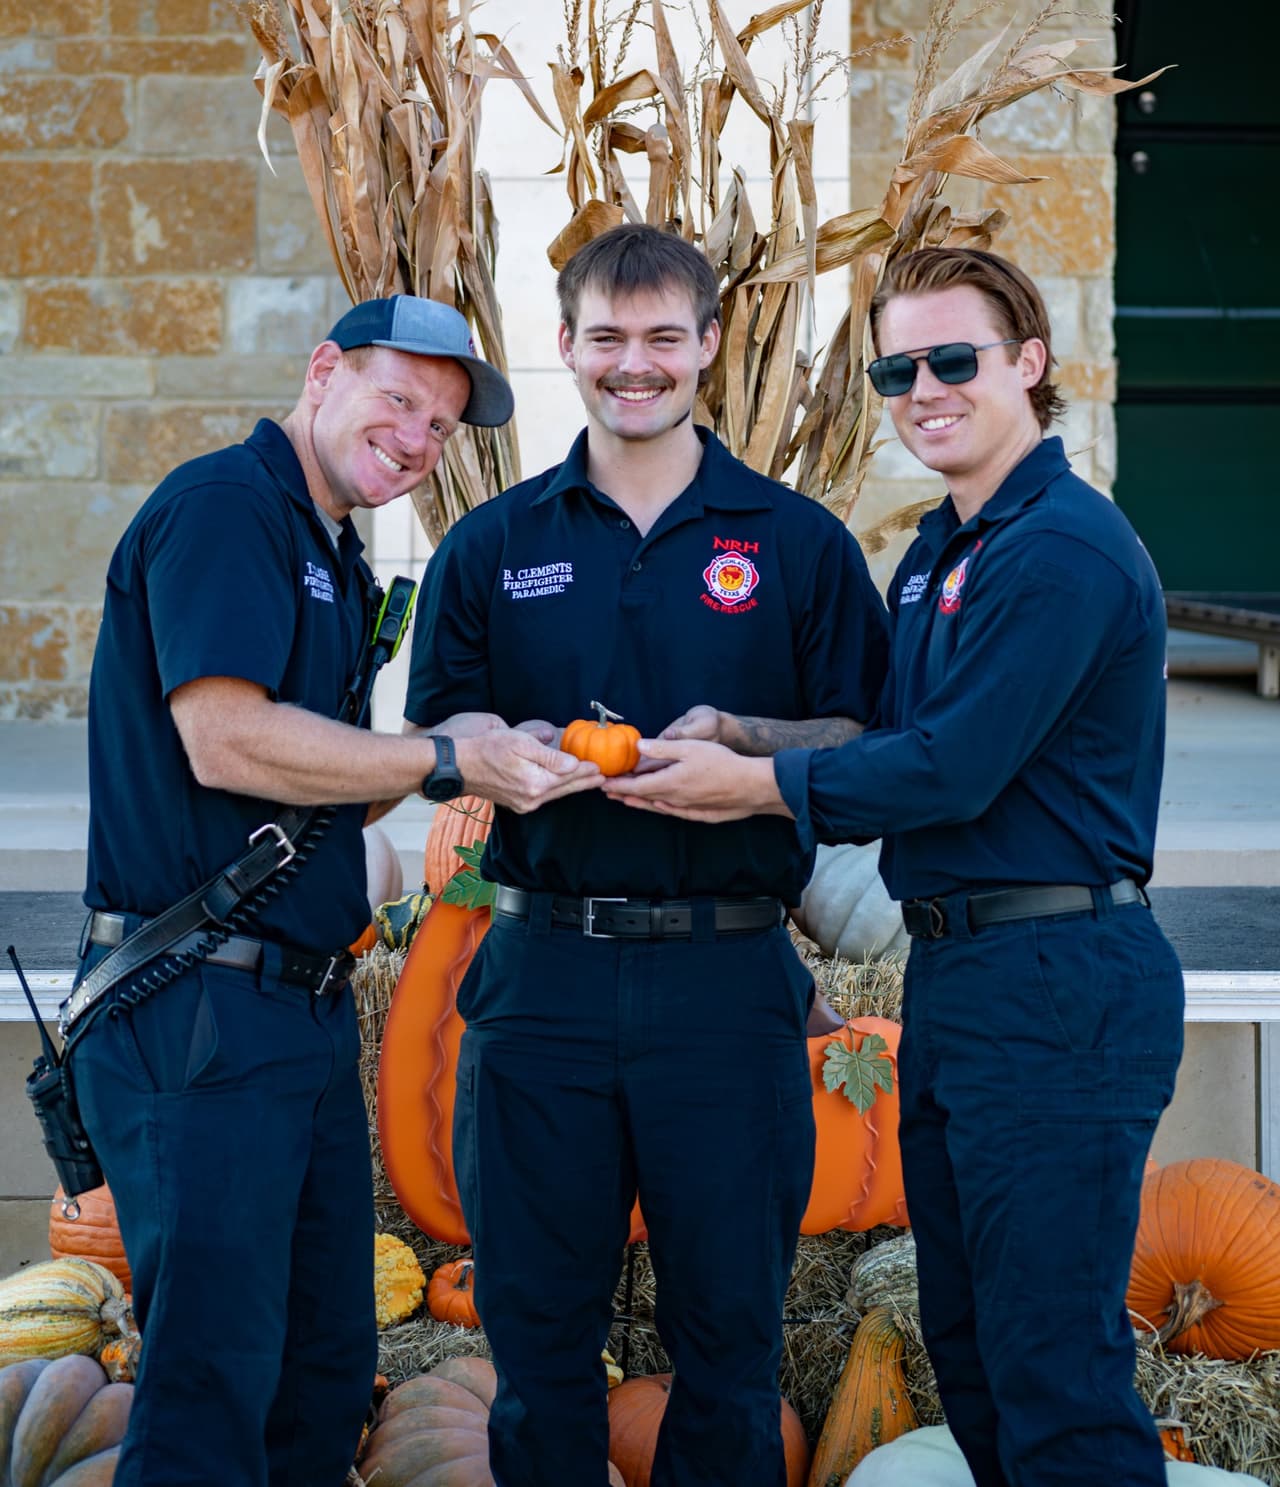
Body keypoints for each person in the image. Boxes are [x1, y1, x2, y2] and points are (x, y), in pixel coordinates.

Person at [606, 247, 1185, 1486]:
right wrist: (744, 729)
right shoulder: (939, 550)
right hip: (965, 974)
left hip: (1059, 976)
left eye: (953, 358)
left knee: (1052, 1367)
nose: (922, 386)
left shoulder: (1062, 551)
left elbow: (952, 769)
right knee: (971, 1347)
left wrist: (754, 788)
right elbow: (884, 731)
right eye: (894, 366)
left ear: (1027, 364)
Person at [71, 294, 601, 1487]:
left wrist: (470, 738)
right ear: (323, 372)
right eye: (399, 399)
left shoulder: (331, 550)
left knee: (317, 1365)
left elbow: (319, 791)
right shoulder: (226, 509)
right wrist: (443, 759)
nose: (416, 438)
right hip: (196, 1003)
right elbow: (224, 740)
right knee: (213, 1377)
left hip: (293, 1010)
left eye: (441, 424)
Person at [402, 223, 890, 1487]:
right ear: (564, 345)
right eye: (607, 338)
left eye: (663, 337)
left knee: (727, 1352)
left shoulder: (795, 543)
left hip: (724, 984)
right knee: (539, 1342)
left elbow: (856, 730)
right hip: (541, 981)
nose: (635, 364)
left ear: (707, 345)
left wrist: (740, 747)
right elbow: (441, 715)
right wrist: (496, 746)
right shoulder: (494, 543)